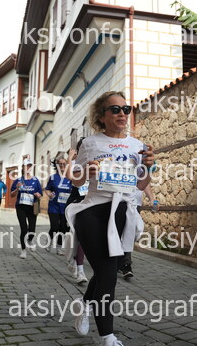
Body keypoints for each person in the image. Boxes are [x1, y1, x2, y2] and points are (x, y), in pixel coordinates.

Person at [66, 91, 155, 346]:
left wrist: (148, 167)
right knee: (108, 274)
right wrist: (86, 171)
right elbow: (76, 180)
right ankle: (107, 336)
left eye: (126, 109)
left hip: (122, 213)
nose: (122, 114)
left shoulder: (137, 145)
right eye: (115, 109)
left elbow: (140, 185)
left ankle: (84, 304)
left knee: (109, 270)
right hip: (93, 211)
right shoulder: (90, 143)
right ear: (102, 116)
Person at [118, 183, 154, 279]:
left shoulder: (141, 171)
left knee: (132, 233)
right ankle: (122, 263)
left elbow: (144, 182)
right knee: (119, 232)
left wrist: (152, 199)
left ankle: (124, 262)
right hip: (118, 200)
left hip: (135, 203)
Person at [65, 142, 88, 284]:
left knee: (84, 237)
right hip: (76, 202)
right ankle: (79, 269)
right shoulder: (75, 163)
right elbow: (69, 177)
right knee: (78, 236)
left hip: (91, 202)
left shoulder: (97, 161)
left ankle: (77, 263)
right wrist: (69, 159)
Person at [10, 160, 42, 259]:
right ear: (22, 168)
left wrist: (38, 194)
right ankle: (23, 250)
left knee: (32, 229)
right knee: (24, 229)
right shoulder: (18, 180)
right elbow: (11, 195)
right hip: (21, 207)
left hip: (32, 207)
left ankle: (30, 240)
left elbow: (40, 193)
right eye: (26, 166)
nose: (27, 168)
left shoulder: (36, 180)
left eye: (29, 166)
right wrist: (17, 189)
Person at [44, 157, 72, 255]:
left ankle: (59, 248)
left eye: (64, 163)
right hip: (54, 207)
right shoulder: (53, 177)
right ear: (57, 166)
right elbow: (47, 189)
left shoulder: (71, 178)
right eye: (60, 164)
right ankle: (49, 241)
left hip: (66, 208)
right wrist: (49, 194)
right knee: (55, 227)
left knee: (63, 228)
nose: (62, 165)